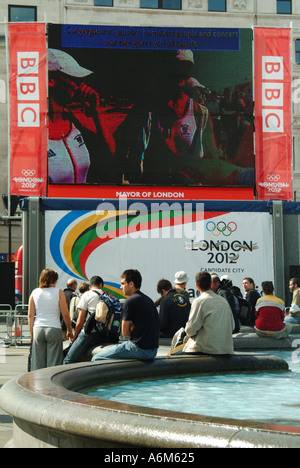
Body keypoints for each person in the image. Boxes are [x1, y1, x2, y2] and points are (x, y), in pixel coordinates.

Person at [115, 49, 254, 187]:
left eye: (185, 67)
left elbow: (211, 161)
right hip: (152, 193)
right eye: (176, 67)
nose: (180, 72)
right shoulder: (146, 111)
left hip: (189, 195)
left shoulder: (201, 113)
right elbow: (123, 152)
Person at [48, 49, 114, 185]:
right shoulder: (32, 132)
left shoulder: (75, 121)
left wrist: (97, 112)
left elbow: (111, 153)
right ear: (50, 80)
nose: (81, 84)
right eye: (73, 78)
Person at [92, 270, 160, 361]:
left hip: (139, 349)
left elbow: (125, 333)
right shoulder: (148, 300)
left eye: (123, 284)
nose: (120, 287)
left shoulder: (130, 301)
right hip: (153, 351)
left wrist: (131, 329)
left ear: (131, 284)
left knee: (96, 358)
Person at [63, 276, 119, 364]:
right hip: (105, 335)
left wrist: (75, 337)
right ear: (101, 285)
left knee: (68, 360)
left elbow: (80, 321)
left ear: (90, 286)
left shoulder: (87, 294)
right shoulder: (107, 296)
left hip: (89, 335)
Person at [28, 269, 73, 371]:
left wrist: (32, 333)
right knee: (54, 365)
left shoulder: (34, 292)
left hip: (38, 329)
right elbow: (65, 314)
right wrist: (69, 330)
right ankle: (50, 386)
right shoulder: (58, 292)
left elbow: (30, 315)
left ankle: (37, 385)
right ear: (54, 280)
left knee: (37, 363)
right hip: (54, 328)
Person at [183, 271, 235, 355]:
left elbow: (190, 330)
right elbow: (232, 326)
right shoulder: (223, 301)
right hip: (226, 349)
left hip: (205, 349)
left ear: (197, 286)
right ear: (211, 283)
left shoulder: (199, 301)